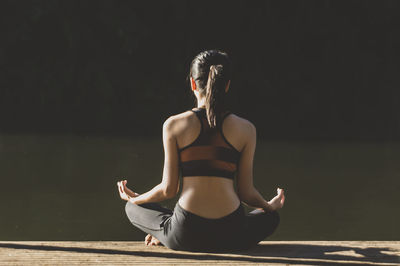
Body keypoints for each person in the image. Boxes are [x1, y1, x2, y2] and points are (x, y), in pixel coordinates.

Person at [117, 50, 285, 252]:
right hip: (232, 234)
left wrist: (136, 198)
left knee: (133, 208)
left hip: (186, 234)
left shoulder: (173, 125)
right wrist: (269, 206)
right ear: (227, 86)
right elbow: (246, 193)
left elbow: (168, 189)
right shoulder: (246, 129)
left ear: (192, 84)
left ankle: (162, 233)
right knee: (271, 217)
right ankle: (167, 232)